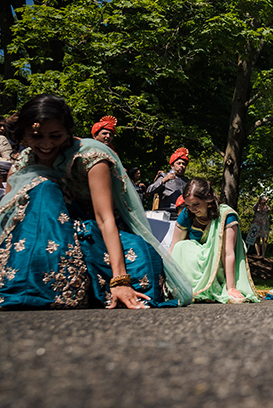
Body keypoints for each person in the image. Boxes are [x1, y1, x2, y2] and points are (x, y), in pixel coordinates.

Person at [0, 94, 192, 309]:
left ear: (68, 131)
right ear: (24, 134)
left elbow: (104, 218)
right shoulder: (21, 165)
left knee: (143, 268)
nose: (46, 144)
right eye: (36, 136)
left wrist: (120, 280)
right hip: (35, 239)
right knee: (43, 189)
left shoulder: (90, 157)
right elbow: (8, 220)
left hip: (94, 235)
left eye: (55, 135)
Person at [169, 177, 258, 303]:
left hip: (220, 263)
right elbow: (173, 247)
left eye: (196, 204)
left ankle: (218, 287)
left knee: (218, 249)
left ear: (208, 199)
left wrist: (231, 287)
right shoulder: (186, 214)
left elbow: (228, 253)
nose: (192, 209)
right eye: (188, 205)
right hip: (196, 264)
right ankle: (189, 288)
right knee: (181, 247)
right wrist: (164, 278)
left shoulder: (226, 215)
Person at [146, 147, 189, 216]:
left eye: (184, 164)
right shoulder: (164, 176)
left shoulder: (187, 181)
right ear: (172, 165)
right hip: (166, 212)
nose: (182, 166)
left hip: (183, 214)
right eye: (179, 163)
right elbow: (149, 190)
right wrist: (164, 180)